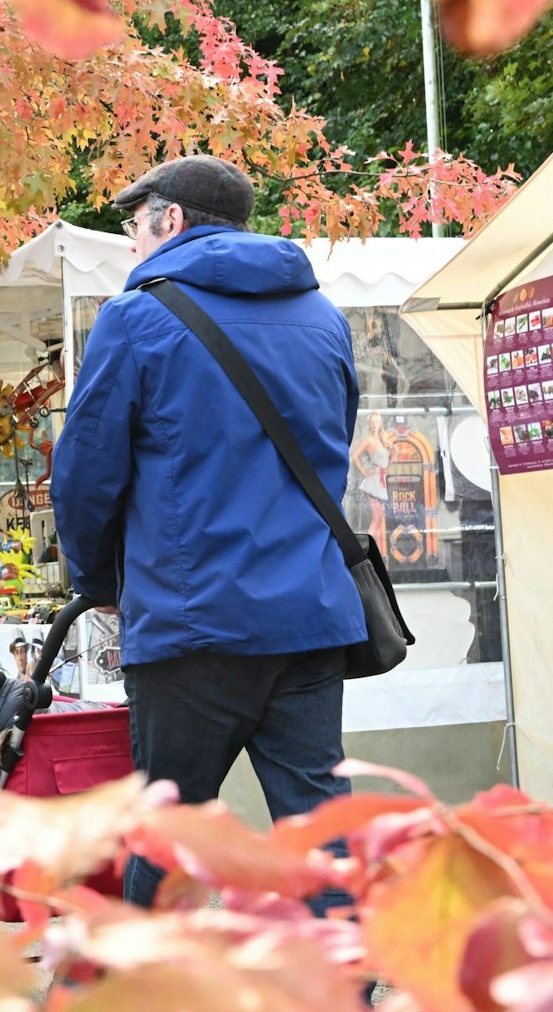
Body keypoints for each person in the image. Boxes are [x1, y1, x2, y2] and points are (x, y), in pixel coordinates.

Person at [50, 154, 365, 911]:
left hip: (191, 629)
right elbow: (334, 449)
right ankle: (347, 985)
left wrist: (99, 584)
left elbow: (86, 475)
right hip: (310, 618)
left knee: (170, 835)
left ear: (173, 220)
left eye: (134, 225)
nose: (131, 243)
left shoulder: (136, 318)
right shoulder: (324, 319)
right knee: (321, 830)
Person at [352, 411, 392, 552]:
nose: (375, 424)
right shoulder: (368, 441)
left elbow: (388, 464)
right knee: (377, 516)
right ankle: (369, 549)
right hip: (373, 480)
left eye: (377, 421)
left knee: (379, 517)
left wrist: (394, 453)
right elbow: (355, 456)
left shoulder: (384, 440)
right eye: (372, 422)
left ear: (380, 423)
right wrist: (364, 472)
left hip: (381, 479)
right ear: (369, 424)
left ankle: (374, 548)